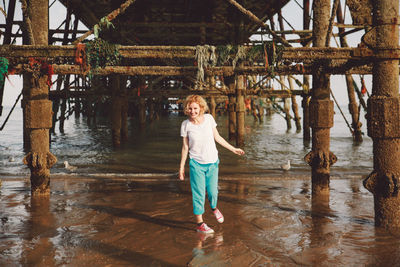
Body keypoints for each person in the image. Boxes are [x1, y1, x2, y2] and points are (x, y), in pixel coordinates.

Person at [179, 95, 245, 234]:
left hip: (213, 163)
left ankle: (214, 208)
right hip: (196, 164)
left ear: (201, 108)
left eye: (195, 108)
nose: (192, 111)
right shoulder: (186, 125)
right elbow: (185, 147)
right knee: (199, 195)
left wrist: (233, 149)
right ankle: (200, 224)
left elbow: (217, 137)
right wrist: (181, 168)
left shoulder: (209, 119)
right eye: (190, 108)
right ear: (186, 109)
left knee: (213, 192)